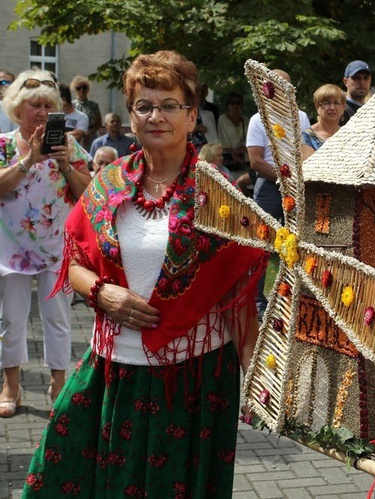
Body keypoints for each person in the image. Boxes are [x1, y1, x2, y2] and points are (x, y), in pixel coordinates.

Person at [23, 50, 267, 497]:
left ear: (193, 116)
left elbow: (238, 294)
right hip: (112, 369)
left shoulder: (221, 196)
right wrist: (101, 293)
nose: (157, 116)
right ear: (131, 116)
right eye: (144, 105)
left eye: (170, 105)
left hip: (194, 379)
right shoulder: (108, 182)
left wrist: (256, 380)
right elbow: (74, 262)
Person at [0, 70, 92, 418]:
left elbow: (89, 196)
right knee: (11, 318)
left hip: (57, 245)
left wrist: (66, 165)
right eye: (33, 105)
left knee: (58, 318)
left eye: (47, 106)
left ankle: (58, 383)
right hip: (12, 249)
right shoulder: (3, 144)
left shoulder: (69, 145)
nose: (40, 112)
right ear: (16, 109)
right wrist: (29, 160)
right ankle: (11, 384)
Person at [246, 68, 310, 317]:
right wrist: (286, 180)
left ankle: (292, 300)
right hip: (269, 188)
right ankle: (258, 304)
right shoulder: (257, 118)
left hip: (296, 187)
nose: (279, 90)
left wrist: (297, 180)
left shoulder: (301, 116)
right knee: (260, 245)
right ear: (264, 88)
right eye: (273, 84)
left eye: (285, 86)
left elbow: (304, 151)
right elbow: (255, 161)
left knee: (297, 244)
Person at [301, 84, 345, 160]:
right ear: (317, 107)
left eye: (336, 103)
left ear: (343, 107)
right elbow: (308, 167)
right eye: (327, 103)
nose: (332, 107)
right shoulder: (307, 136)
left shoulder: (347, 134)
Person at [217, 92, 249, 170]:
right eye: (232, 103)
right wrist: (233, 153)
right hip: (227, 157)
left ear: (241, 105)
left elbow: (249, 139)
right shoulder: (223, 119)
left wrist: (240, 149)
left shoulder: (246, 121)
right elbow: (222, 138)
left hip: (243, 158)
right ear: (228, 105)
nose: (235, 105)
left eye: (238, 103)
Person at [71, 75, 103, 149]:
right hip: (76, 135)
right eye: (78, 88)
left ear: (88, 89)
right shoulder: (72, 105)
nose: (81, 90)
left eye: (84, 87)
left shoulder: (94, 105)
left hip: (91, 136)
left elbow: (99, 124)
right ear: (74, 90)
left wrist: (89, 134)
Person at [340, 60, 372, 126]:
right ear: (346, 82)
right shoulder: (339, 110)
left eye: (366, 78)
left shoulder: (372, 111)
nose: (362, 82)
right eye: (356, 78)